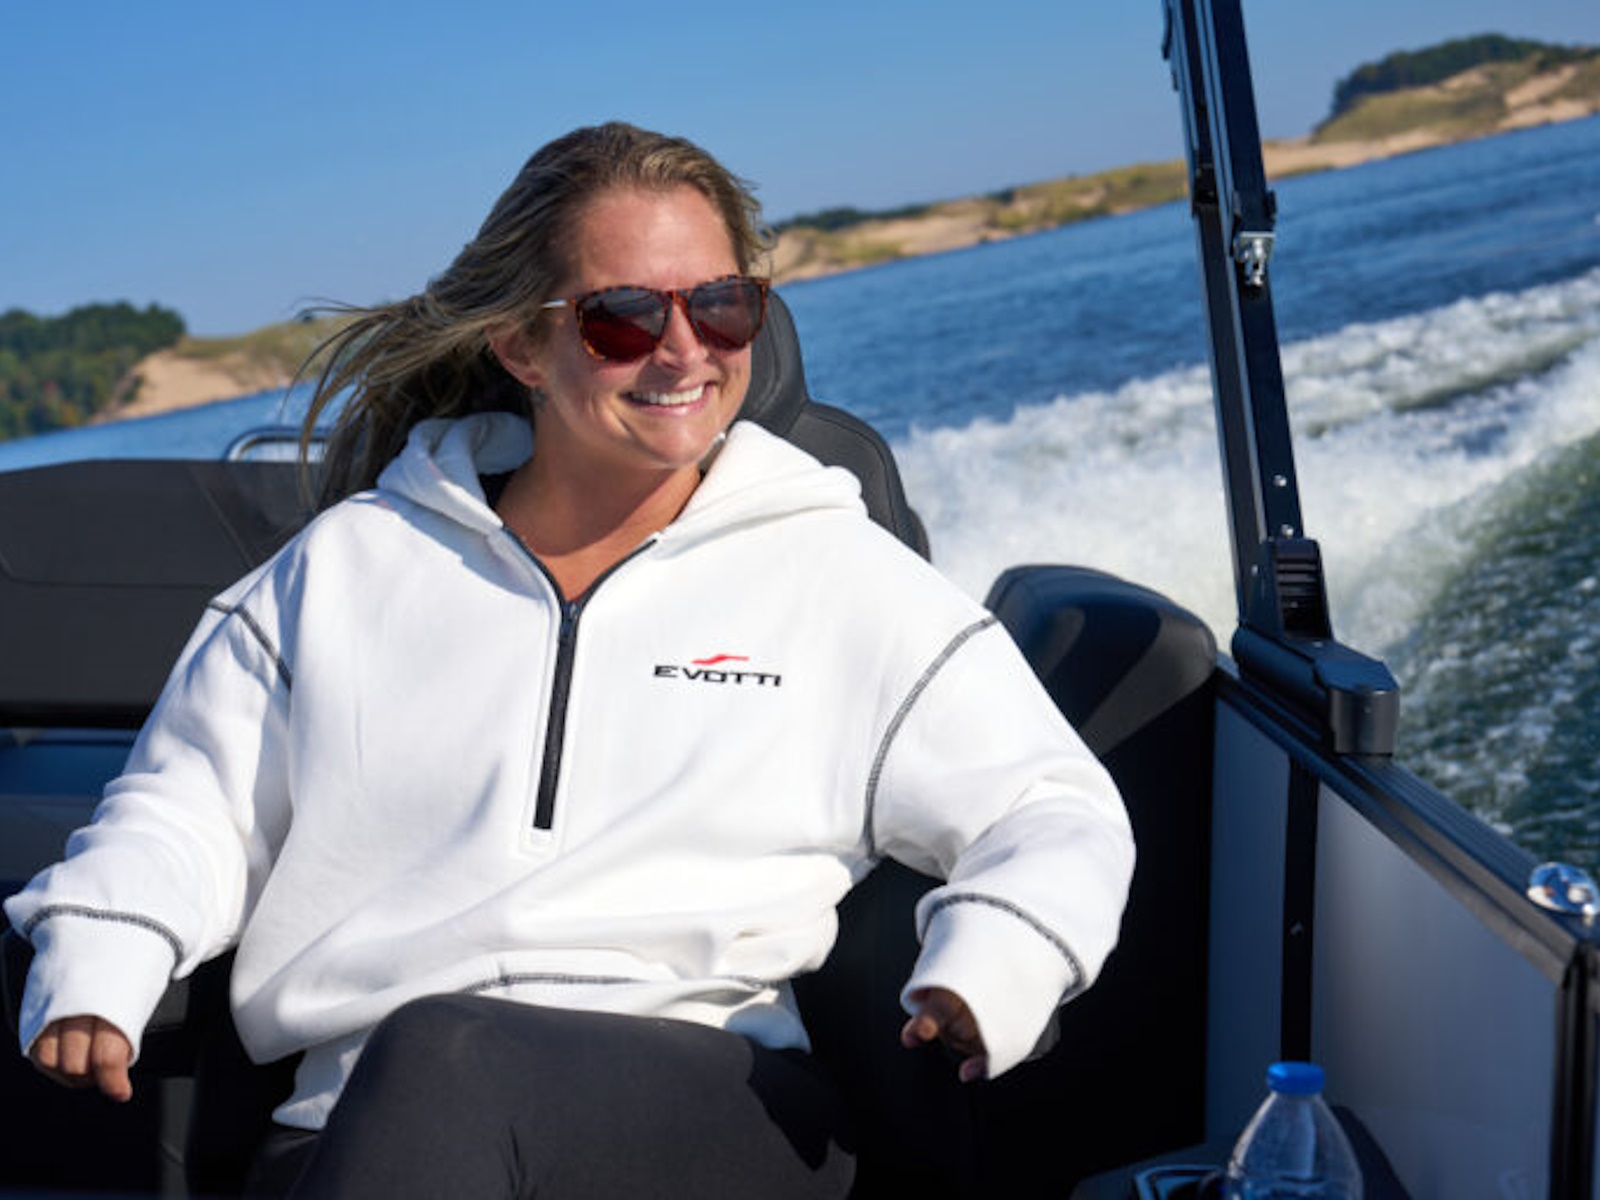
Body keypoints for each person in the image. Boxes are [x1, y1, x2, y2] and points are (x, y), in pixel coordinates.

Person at [5, 122, 1134, 1197]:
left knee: (450, 1059)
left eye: (722, 304)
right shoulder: (343, 571)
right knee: (432, 1072)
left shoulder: (841, 575)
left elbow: (1049, 806)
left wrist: (995, 960)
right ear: (520, 346)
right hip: (355, 1122)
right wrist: (103, 953)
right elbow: (188, 809)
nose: (684, 350)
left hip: (707, 1110)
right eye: (623, 318)